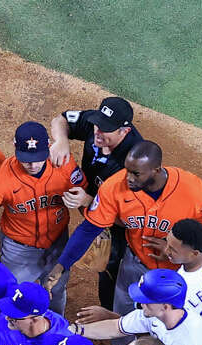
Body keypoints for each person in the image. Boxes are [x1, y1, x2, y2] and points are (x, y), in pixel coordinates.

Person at [50, 140, 202, 323]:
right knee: (123, 319)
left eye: (136, 174)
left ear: (156, 170)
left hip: (178, 274)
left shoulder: (192, 189)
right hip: (134, 265)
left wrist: (184, 257)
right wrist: (62, 265)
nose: (128, 178)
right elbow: (89, 229)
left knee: (168, 325)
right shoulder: (114, 187)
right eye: (127, 170)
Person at [0, 122, 84, 313]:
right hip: (19, 250)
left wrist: (86, 203)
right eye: (26, 159)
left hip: (58, 243)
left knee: (56, 291)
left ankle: (55, 333)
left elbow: (86, 192)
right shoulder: (4, 175)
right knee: (10, 296)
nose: (32, 164)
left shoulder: (64, 164)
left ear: (48, 147)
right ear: (15, 149)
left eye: (38, 158)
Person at [47, 96, 144, 309]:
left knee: (113, 269)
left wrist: (89, 200)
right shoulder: (96, 125)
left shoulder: (133, 164)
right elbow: (60, 119)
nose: (97, 133)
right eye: (97, 126)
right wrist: (62, 140)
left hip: (121, 226)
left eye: (105, 130)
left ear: (124, 132)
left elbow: (129, 220)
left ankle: (116, 318)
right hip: (97, 206)